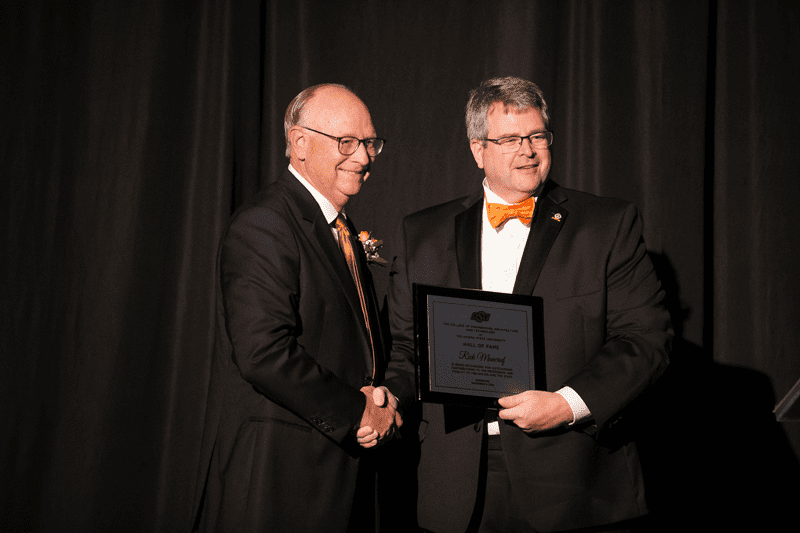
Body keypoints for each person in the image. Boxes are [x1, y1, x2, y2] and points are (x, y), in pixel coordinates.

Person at [386, 76, 672, 532]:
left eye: (538, 135)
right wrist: (386, 400)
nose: (529, 150)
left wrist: (567, 404)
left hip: (572, 480)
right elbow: (407, 347)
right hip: (455, 482)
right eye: (511, 139)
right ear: (478, 149)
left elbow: (645, 340)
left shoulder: (606, 224)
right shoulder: (422, 232)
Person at [193, 84, 405, 533]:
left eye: (370, 143)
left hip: (342, 474)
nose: (364, 157)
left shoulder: (339, 226)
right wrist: (358, 411)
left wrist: (383, 397)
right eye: (346, 142)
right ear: (299, 142)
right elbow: (262, 353)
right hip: (281, 478)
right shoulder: (266, 223)